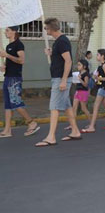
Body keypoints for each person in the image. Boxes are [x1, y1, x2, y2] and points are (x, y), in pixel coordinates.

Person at [35, 18, 81, 146]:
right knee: (67, 107)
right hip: (59, 78)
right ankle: (75, 131)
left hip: (61, 79)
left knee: (54, 107)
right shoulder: (58, 42)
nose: (45, 31)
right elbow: (61, 58)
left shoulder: (62, 41)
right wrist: (51, 53)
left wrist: (64, 81)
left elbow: (68, 61)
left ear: (51, 29)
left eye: (46, 29)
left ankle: (51, 137)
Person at [0, 26, 40, 138]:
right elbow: (12, 63)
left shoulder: (19, 44)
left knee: (16, 103)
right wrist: (4, 67)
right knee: (8, 106)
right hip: (8, 77)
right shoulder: (8, 46)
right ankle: (7, 130)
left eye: (7, 30)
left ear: (14, 31)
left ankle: (32, 122)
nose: (5, 32)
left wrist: (6, 55)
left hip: (14, 79)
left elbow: (21, 60)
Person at [81, 49, 105, 133]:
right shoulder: (101, 65)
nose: (96, 56)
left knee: (96, 106)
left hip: (103, 88)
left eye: (98, 55)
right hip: (101, 87)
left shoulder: (104, 65)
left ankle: (91, 126)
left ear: (102, 56)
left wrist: (98, 78)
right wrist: (95, 77)